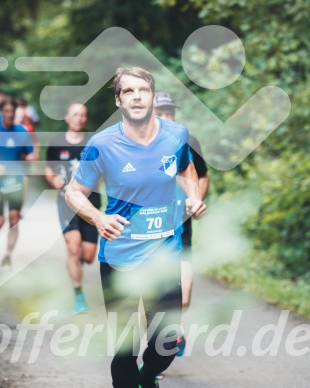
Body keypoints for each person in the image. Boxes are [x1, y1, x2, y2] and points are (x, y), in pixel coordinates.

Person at [66, 67, 206, 388]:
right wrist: (98, 218)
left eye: (143, 90)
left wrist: (194, 197)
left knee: (167, 340)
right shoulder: (102, 144)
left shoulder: (176, 135)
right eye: (128, 91)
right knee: (125, 348)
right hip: (120, 258)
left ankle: (147, 379)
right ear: (119, 100)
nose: (137, 96)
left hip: (165, 256)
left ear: (153, 97)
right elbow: (73, 191)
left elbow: (186, 169)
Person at [153, 92, 210, 378]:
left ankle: (175, 329)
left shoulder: (188, 141)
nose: (165, 117)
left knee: (183, 294)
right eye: (159, 112)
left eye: (168, 112)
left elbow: (202, 175)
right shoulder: (142, 144)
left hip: (180, 228)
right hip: (148, 233)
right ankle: (156, 351)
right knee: (151, 297)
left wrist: (195, 199)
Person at [45, 102, 101, 314]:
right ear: (67, 118)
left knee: (87, 256)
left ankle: (75, 261)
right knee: (73, 245)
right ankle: (79, 296)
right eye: (75, 114)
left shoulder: (93, 143)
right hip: (66, 202)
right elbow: (49, 170)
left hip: (91, 204)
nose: (79, 118)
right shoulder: (57, 143)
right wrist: (53, 182)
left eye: (83, 115)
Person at [0, 99, 38, 267]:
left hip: (14, 181)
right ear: (1, 112)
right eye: (6, 111)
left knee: (14, 219)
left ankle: (8, 256)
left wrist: (32, 157)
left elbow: (29, 153)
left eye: (12, 111)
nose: (10, 114)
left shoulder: (22, 131)